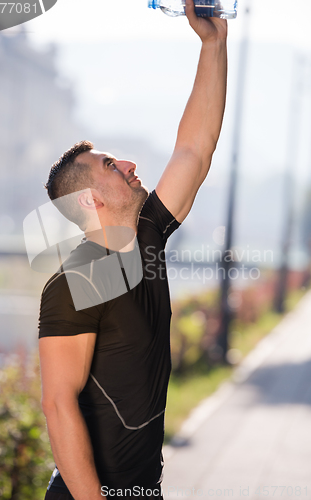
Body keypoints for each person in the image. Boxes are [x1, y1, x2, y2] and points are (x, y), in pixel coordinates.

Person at [38, 1, 228, 499]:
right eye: (109, 165)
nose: (128, 163)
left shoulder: (145, 240)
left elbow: (194, 149)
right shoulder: (76, 281)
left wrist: (213, 45)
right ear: (91, 199)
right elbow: (58, 404)